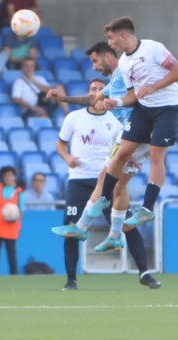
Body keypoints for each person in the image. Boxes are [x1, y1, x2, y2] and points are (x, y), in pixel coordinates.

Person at [51, 79, 161, 290]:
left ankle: (145, 273)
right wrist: (67, 158)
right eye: (93, 89)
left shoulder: (116, 121)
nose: (97, 93)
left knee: (127, 224)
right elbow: (60, 144)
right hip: (79, 179)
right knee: (71, 229)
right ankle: (71, 279)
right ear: (88, 94)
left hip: (107, 180)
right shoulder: (74, 117)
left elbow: (124, 151)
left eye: (101, 90)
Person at [49, 42, 152, 252]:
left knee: (105, 178)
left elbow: (141, 96)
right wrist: (63, 98)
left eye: (95, 61)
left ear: (107, 56)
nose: (95, 67)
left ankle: (82, 227)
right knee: (118, 185)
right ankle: (114, 235)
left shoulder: (126, 72)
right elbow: (93, 98)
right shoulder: (115, 80)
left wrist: (119, 103)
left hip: (136, 132)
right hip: (137, 135)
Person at [96, 17, 178, 231]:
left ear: (122, 35)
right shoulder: (125, 64)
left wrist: (153, 87)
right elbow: (131, 95)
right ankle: (104, 198)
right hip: (143, 110)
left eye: (111, 37)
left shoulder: (153, 48)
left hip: (167, 108)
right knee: (122, 153)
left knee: (156, 155)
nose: (109, 43)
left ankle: (146, 209)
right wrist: (115, 102)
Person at [0, 166, 24, 276]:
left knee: (11, 256)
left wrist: (15, 218)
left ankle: (14, 278)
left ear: (14, 176)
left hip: (11, 228)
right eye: (5, 175)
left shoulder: (18, 191)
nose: (8, 178)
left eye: (10, 175)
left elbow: (21, 211)